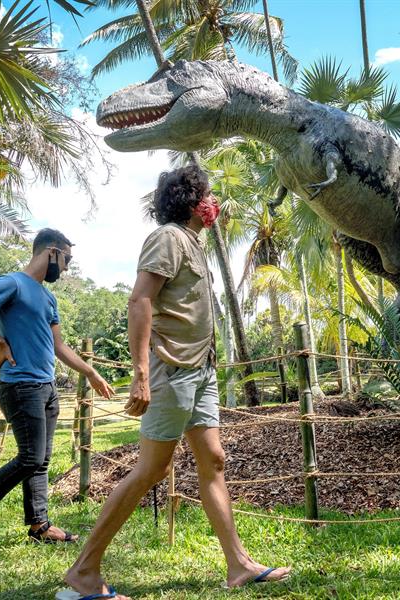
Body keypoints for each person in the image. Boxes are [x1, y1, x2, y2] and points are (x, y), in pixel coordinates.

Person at [62, 166, 290, 599]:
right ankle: (83, 572)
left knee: (214, 461)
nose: (212, 203)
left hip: (200, 370)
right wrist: (141, 374)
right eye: (206, 194)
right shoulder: (167, 237)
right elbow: (140, 299)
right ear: (190, 200)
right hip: (171, 369)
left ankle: (239, 565)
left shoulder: (192, 242)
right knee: (151, 470)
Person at [0, 228, 115, 560]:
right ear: (52, 252)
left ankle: (39, 525)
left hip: (46, 386)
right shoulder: (11, 283)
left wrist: (92, 372)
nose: (66, 268)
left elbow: (59, 347)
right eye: (66, 259)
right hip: (20, 384)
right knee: (30, 458)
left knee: (41, 461)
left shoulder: (48, 297)